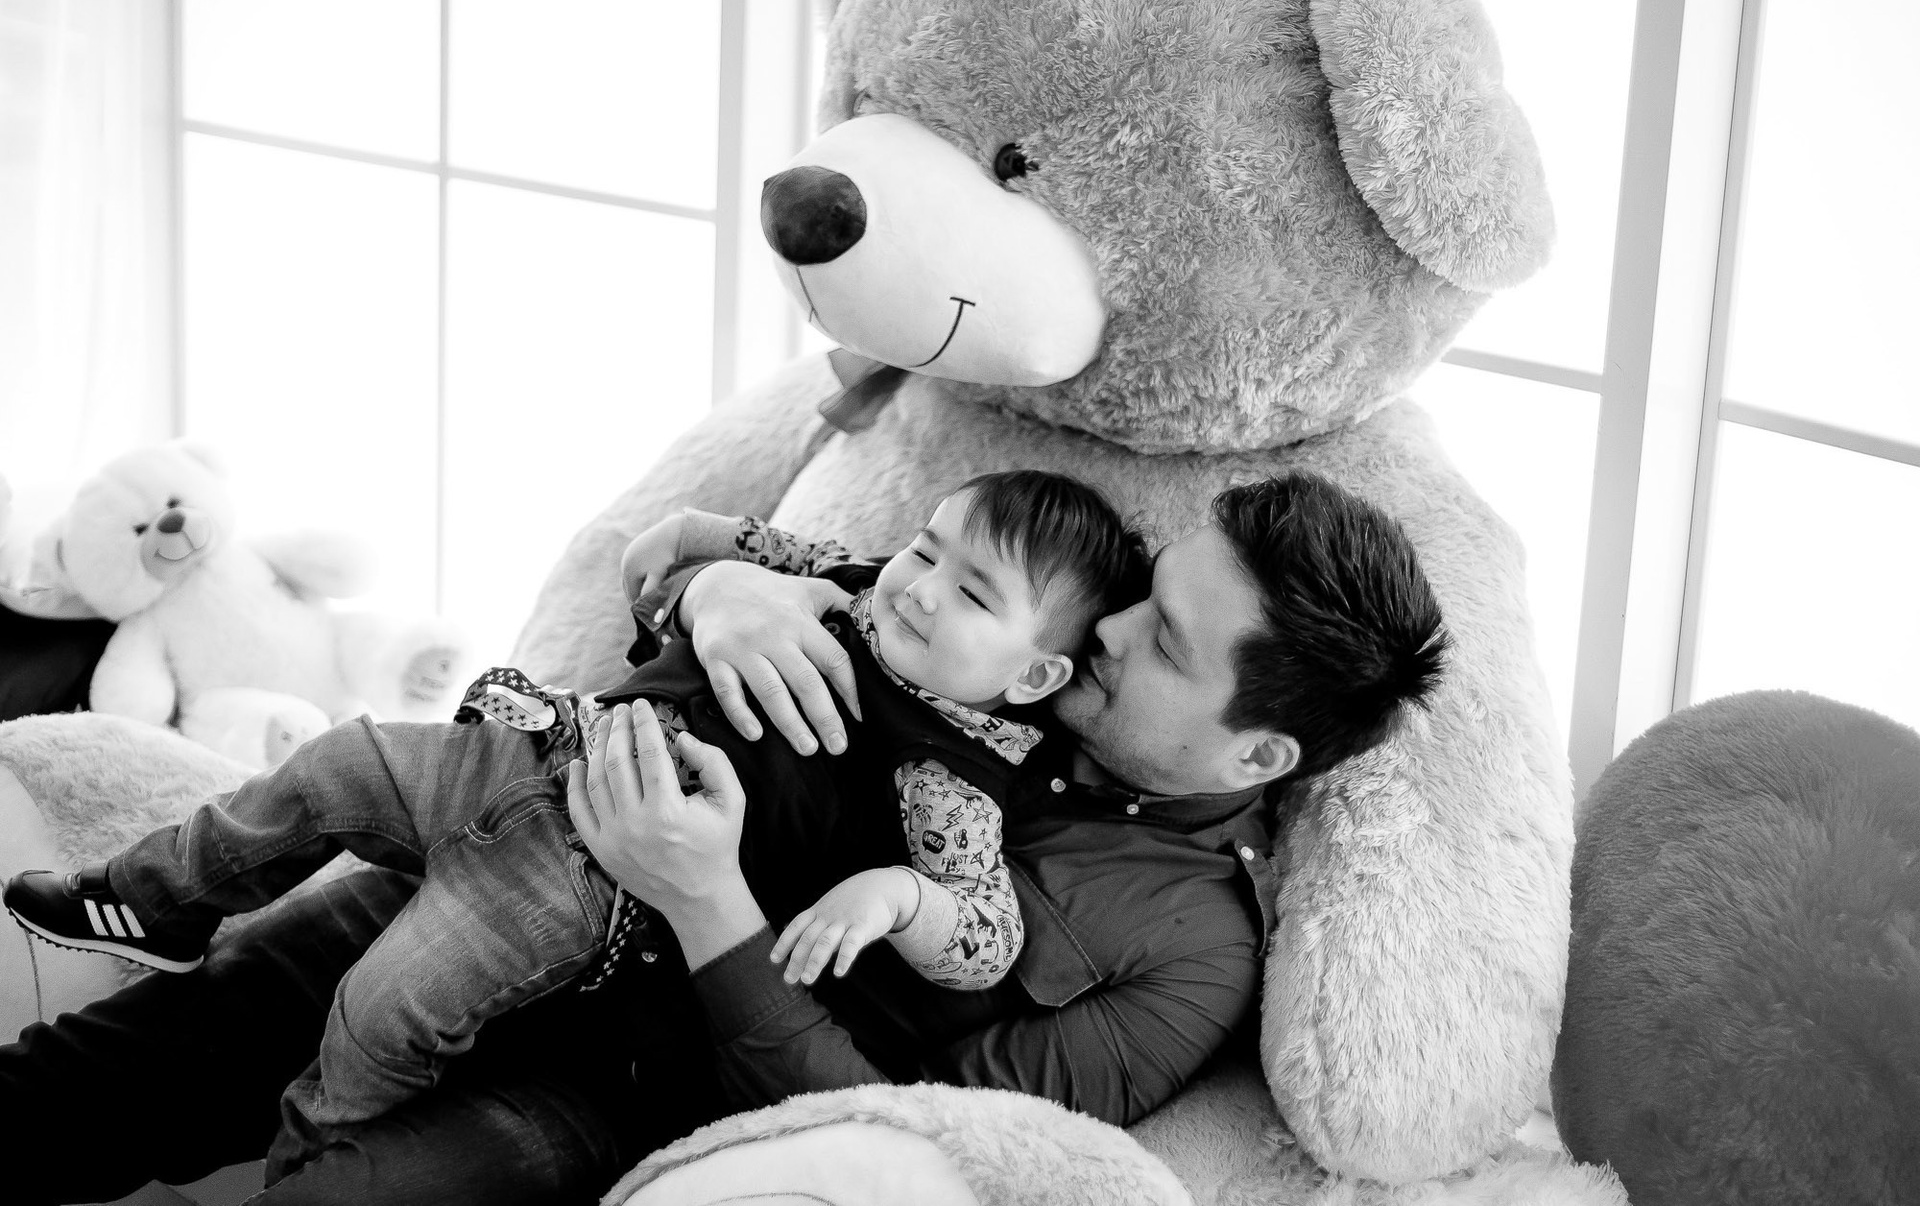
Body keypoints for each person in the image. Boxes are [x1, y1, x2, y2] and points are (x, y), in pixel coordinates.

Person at [0, 470, 1448, 1206]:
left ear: (1258, 753)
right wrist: (713, 594)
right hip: (531, 839)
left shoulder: (1186, 957)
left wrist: (706, 907)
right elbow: (714, 555)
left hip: (627, 1082)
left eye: (1165, 640)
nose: (1114, 630)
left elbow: (895, 1138)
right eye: (1143, 596)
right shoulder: (1016, 624)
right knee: (131, 1059)